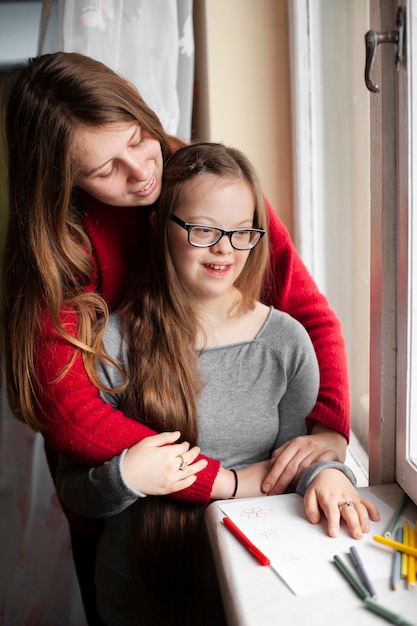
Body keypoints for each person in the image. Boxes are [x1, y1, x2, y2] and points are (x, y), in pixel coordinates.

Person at [1, 52, 349, 623]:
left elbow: (307, 311)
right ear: (63, 183)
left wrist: (331, 432)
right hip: (121, 497)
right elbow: (72, 412)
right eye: (106, 169)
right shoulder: (60, 252)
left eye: (139, 139)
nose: (142, 172)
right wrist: (220, 480)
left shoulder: (202, 184)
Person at [56, 142, 380, 626]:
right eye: (204, 230)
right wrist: (127, 476)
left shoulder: (286, 342)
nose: (225, 248)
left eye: (241, 232)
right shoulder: (113, 344)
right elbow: (75, 489)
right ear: (159, 228)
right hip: (141, 596)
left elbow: (292, 463)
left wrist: (330, 474)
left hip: (254, 590)